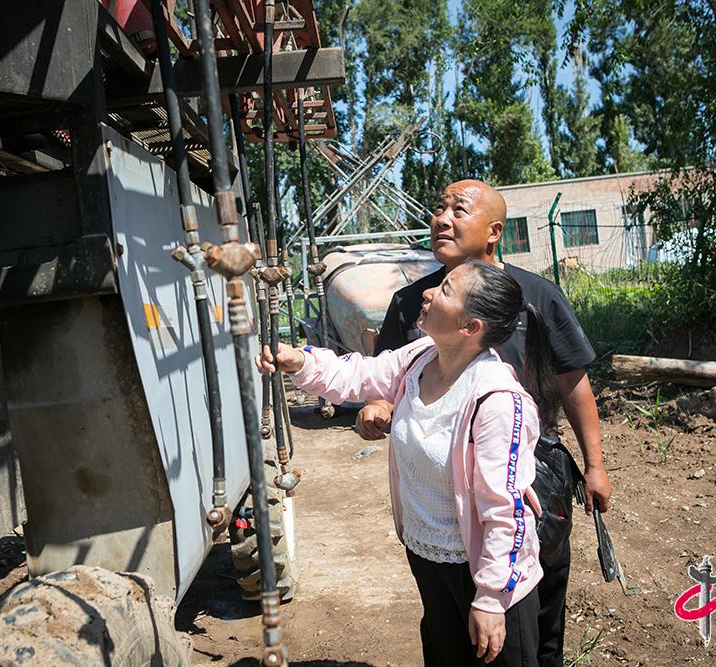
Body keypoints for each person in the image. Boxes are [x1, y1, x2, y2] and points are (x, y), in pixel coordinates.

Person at [361, 179, 613, 667]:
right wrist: (377, 407)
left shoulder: (536, 296)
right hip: (446, 494)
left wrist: (595, 465)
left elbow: (573, 383)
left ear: (494, 231)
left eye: (460, 209)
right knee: (449, 622)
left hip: (528, 483)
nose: (442, 218)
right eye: (439, 207)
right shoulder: (413, 304)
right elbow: (384, 378)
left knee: (533, 621)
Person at [257, 260, 559, 665]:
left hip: (486, 572)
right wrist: (299, 361)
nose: (428, 293)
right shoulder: (420, 357)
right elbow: (360, 375)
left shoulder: (496, 401)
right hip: (428, 556)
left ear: (470, 328)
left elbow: (506, 511)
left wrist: (489, 599)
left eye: (446, 291)